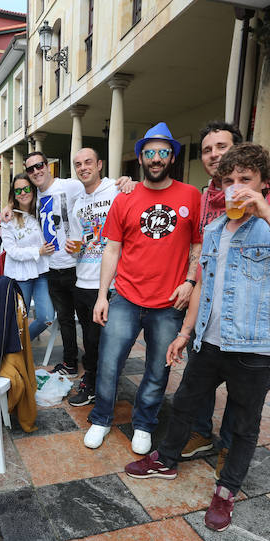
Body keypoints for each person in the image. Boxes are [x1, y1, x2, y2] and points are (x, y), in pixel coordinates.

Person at [124, 143, 270, 532]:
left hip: (255, 346)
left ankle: (227, 489)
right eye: (229, 181)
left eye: (245, 180)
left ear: (265, 183)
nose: (236, 188)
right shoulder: (215, 228)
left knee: (244, 423)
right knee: (184, 403)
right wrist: (185, 332)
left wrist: (266, 213)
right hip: (210, 341)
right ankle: (166, 459)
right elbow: (202, 284)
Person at [171, 120, 270, 475]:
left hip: (253, 327)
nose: (215, 155)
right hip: (211, 320)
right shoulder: (208, 197)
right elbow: (207, 255)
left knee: (242, 405)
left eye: (222, 147)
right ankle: (201, 435)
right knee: (194, 389)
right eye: (207, 149)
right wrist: (190, 290)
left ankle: (229, 462)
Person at [84, 123, 202, 455]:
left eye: (163, 152)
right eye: (149, 152)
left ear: (172, 157)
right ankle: (102, 418)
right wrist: (101, 296)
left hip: (169, 303)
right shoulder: (126, 197)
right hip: (126, 296)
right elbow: (112, 249)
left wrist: (190, 282)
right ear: (140, 158)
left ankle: (144, 424)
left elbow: (197, 246)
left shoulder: (191, 196)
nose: (156, 158)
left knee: (157, 367)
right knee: (108, 361)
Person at [63, 148, 119, 408]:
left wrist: (130, 182)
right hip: (82, 280)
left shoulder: (116, 190)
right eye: (78, 164)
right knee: (88, 337)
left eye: (88, 162)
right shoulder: (78, 205)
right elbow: (78, 241)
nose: (83, 167)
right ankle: (94, 381)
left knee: (101, 340)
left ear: (99, 165)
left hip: (108, 283)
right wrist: (72, 248)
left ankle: (97, 385)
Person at [23, 151, 86, 376]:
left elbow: (96, 194)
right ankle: (70, 363)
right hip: (51, 269)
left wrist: (127, 182)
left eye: (39, 165)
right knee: (66, 320)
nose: (36, 171)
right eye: (30, 169)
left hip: (75, 267)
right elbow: (17, 207)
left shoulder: (70, 186)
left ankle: (93, 365)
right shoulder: (34, 197)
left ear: (47, 166)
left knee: (87, 321)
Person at [1, 173, 55, 340]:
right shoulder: (8, 219)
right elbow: (12, 251)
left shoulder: (42, 211)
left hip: (41, 273)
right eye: (18, 191)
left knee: (46, 317)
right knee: (18, 320)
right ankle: (14, 350)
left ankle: (21, 346)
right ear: (13, 194)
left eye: (26, 189)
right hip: (20, 275)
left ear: (33, 190)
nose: (23, 193)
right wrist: (38, 251)